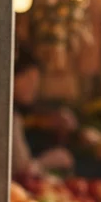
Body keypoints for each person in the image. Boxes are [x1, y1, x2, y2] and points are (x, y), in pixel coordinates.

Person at [10, 48, 75, 178]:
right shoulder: (7, 117)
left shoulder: (19, 114)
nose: (32, 86)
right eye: (28, 79)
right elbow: (22, 170)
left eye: (35, 81)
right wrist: (49, 160)